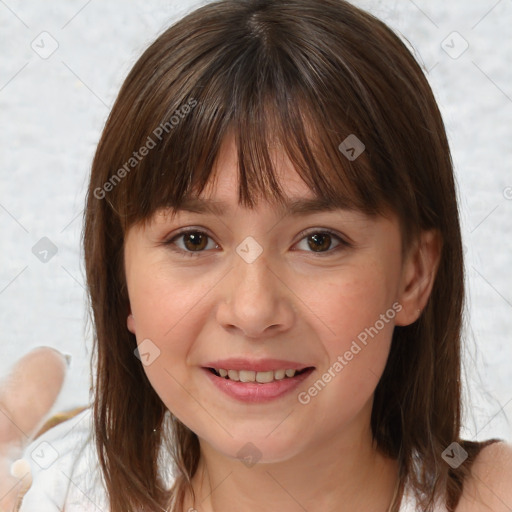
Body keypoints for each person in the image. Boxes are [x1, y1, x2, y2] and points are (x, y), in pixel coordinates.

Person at [8, 0, 512, 510]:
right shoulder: (49, 492)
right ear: (121, 278)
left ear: (414, 276)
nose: (252, 312)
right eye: (194, 240)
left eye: (319, 241)